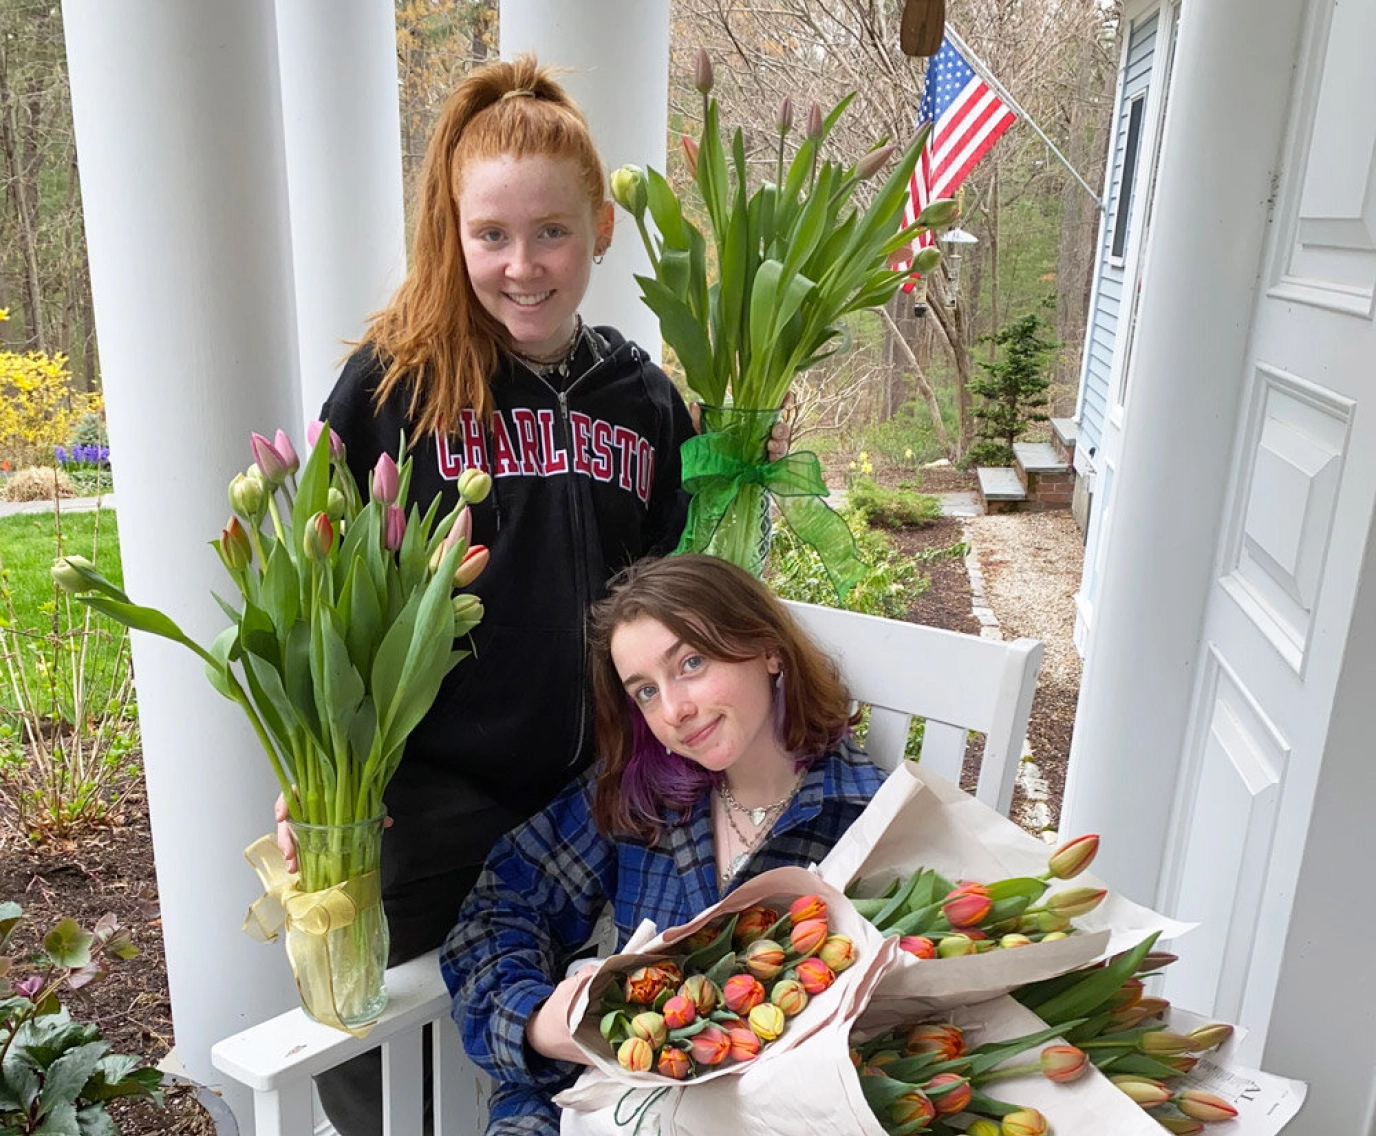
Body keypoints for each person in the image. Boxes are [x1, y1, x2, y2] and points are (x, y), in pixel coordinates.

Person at [439, 554, 883, 1135]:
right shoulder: (644, 796)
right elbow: (500, 903)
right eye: (646, 691)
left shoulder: (864, 818)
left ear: (769, 649)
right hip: (591, 1108)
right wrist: (538, 1021)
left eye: (691, 663)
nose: (674, 711)